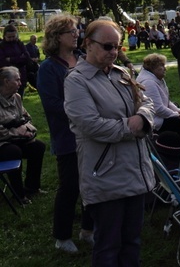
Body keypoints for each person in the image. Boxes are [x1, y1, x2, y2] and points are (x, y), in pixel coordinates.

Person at [64, 19, 155, 267]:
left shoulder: (121, 73)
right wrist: (132, 126)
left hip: (135, 173)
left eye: (117, 46)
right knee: (108, 246)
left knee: (132, 243)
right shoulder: (76, 81)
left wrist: (143, 118)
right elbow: (91, 125)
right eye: (107, 46)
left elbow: (146, 101)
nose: (113, 52)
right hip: (105, 177)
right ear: (88, 44)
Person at [36, 14, 93, 254]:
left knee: (92, 184)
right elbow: (51, 104)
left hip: (91, 133)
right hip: (67, 136)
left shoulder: (83, 59)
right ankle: (62, 236)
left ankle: (88, 230)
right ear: (57, 37)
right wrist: (82, 112)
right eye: (71, 31)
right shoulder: (48, 69)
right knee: (70, 187)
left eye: (77, 29)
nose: (77, 33)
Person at [0, 66, 46, 204]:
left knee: (38, 147)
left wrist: (25, 129)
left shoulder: (17, 98)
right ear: (6, 81)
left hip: (15, 138)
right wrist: (15, 130)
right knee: (14, 151)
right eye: (17, 80)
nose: (21, 83)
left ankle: (32, 187)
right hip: (2, 142)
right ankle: (19, 195)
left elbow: (27, 118)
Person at [136, 53, 180, 139]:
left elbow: (166, 101)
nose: (165, 69)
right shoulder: (149, 83)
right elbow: (158, 108)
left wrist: (179, 111)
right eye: (162, 66)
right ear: (153, 67)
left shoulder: (157, 79)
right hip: (155, 121)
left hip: (160, 116)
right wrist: (176, 115)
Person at [0, 24, 33, 96]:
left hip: (21, 76)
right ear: (4, 36)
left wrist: (11, 59)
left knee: (19, 99)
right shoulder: (1, 46)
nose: (11, 39)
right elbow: (2, 62)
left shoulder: (19, 44)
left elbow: (27, 58)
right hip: (7, 80)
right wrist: (19, 58)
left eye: (13, 37)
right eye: (9, 37)